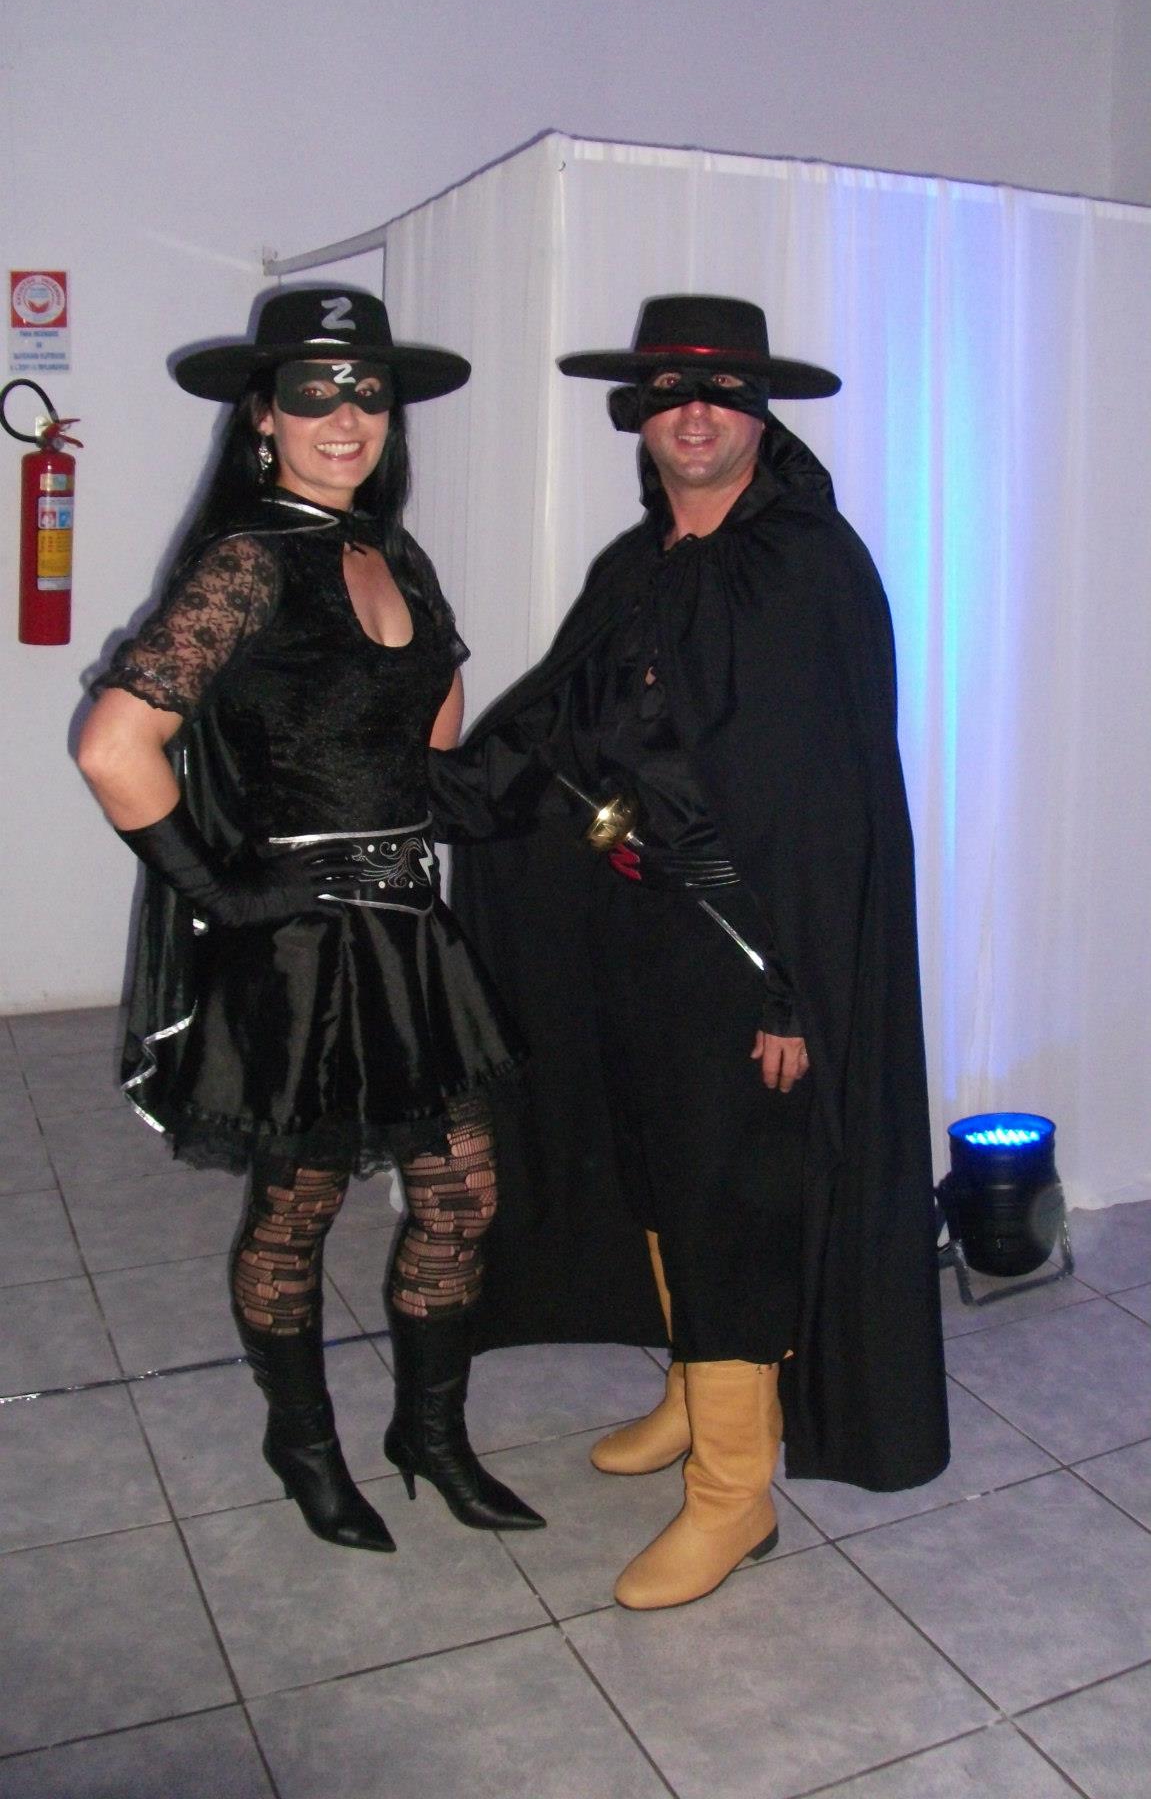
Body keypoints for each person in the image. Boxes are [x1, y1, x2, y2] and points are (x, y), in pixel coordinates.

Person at [429, 294, 949, 1610]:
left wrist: (792, 988)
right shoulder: (639, 563)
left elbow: (826, 806)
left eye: (720, 390)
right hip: (636, 927)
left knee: (728, 1200)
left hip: (747, 950)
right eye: (669, 391)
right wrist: (414, 792)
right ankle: (692, 1391)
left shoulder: (805, 567)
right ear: (639, 415)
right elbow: (549, 725)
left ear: (758, 413)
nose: (694, 413)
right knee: (659, 1166)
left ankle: (732, 1493)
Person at [77, 285, 543, 1554]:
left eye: (368, 393)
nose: (345, 417)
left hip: (405, 925)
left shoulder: (393, 553)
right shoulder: (245, 563)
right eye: (313, 392)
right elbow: (116, 744)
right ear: (262, 417)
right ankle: (304, 1441)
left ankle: (429, 1433)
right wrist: (225, 893)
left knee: (461, 1196)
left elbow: (432, 717)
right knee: (301, 1206)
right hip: (298, 947)